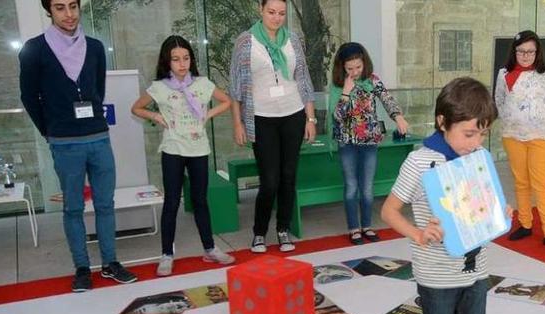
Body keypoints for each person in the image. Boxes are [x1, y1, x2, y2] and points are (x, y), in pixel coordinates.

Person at [381, 77, 501, 314]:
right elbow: (389, 210)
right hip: (436, 275)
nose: (476, 144)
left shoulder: (478, 158)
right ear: (441, 122)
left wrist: (501, 212)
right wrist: (417, 234)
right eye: (468, 134)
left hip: (476, 271)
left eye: (482, 135)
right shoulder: (419, 162)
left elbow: (484, 208)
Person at [19, 0, 138, 291]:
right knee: (73, 208)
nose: (69, 14)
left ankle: (111, 263)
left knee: (105, 205)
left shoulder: (95, 47)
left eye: (73, 6)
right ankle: (82, 268)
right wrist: (50, 132)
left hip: (98, 137)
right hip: (64, 142)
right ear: (49, 10)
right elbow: (28, 97)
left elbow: (97, 89)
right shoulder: (34, 49)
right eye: (60, 7)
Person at [131, 35, 235, 276]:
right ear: (167, 61)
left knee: (200, 200)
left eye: (186, 58)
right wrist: (156, 116)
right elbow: (136, 108)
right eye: (175, 59)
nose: (181, 64)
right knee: (171, 202)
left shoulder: (202, 83)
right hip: (173, 149)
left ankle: (209, 248)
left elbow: (226, 101)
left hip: (199, 149)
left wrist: (208, 114)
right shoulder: (159, 87)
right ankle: (167, 254)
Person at [229, 0, 317, 253]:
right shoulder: (246, 42)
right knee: (269, 180)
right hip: (261, 117)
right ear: (260, 9)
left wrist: (310, 119)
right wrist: (237, 123)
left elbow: (304, 80)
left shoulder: (293, 40)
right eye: (271, 12)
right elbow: (235, 88)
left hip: (293, 114)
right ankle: (259, 232)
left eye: (281, 13)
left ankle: (283, 229)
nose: (277, 18)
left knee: (288, 177)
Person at [494, 30, 545, 251]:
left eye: (530, 51)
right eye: (521, 51)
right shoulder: (504, 74)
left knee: (542, 185)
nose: (526, 56)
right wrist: (507, 117)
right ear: (514, 52)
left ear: (537, 53)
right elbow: (498, 98)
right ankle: (525, 224)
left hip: (540, 136)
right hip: (512, 135)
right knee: (521, 182)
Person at [328, 42, 409, 245]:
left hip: (369, 141)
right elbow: (337, 116)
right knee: (351, 186)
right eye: (350, 69)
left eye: (358, 67)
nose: (355, 72)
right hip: (346, 143)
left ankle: (367, 226)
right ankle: (354, 228)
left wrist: (397, 117)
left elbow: (387, 99)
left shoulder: (372, 81)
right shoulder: (339, 86)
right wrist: (346, 91)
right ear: (342, 67)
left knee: (367, 187)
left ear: (364, 63)